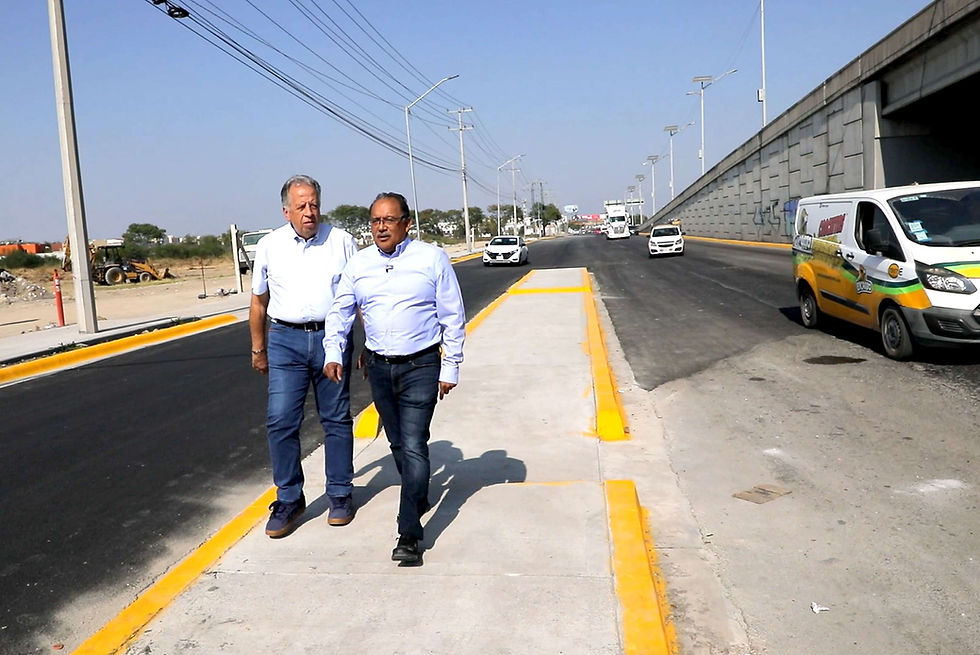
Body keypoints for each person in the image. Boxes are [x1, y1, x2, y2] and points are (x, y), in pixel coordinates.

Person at [322, 192, 465, 565]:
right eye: (374, 221)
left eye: (388, 220)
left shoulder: (431, 258)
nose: (380, 227)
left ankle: (409, 532)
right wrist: (334, 352)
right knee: (399, 443)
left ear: (406, 223)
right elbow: (341, 311)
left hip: (421, 365)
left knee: (415, 443)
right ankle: (417, 492)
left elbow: (452, 316)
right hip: (379, 367)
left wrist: (450, 368)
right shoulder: (360, 263)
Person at [249, 174, 359, 538]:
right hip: (285, 340)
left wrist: (369, 344)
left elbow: (359, 296)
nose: (309, 212)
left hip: (333, 337)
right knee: (281, 420)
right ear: (286, 211)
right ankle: (289, 498)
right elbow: (259, 302)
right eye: (301, 206)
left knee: (337, 419)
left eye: (313, 204)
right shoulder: (269, 246)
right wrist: (258, 348)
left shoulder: (342, 241)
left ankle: (340, 494)